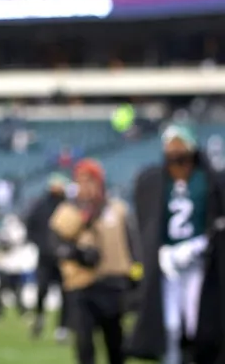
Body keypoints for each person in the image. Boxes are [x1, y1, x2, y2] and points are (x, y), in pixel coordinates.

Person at [127, 124, 225, 364]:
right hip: (167, 262)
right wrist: (161, 252)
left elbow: (216, 219)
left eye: (179, 144)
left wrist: (201, 244)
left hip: (201, 261)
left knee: (199, 321)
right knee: (169, 322)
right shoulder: (154, 180)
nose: (174, 151)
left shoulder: (208, 180)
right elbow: (147, 222)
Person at [50, 159, 137, 364]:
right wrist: (78, 253)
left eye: (91, 180)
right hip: (81, 283)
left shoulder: (117, 209)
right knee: (84, 342)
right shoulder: (67, 211)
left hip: (112, 282)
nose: (86, 186)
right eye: (81, 181)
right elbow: (55, 244)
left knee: (115, 342)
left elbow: (131, 244)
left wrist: (134, 274)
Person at [25, 172, 70, 341]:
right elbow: (30, 225)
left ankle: (63, 327)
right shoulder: (41, 206)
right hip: (45, 256)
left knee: (66, 294)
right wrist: (39, 243)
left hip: (65, 258)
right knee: (42, 290)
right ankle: (39, 319)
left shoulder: (68, 206)